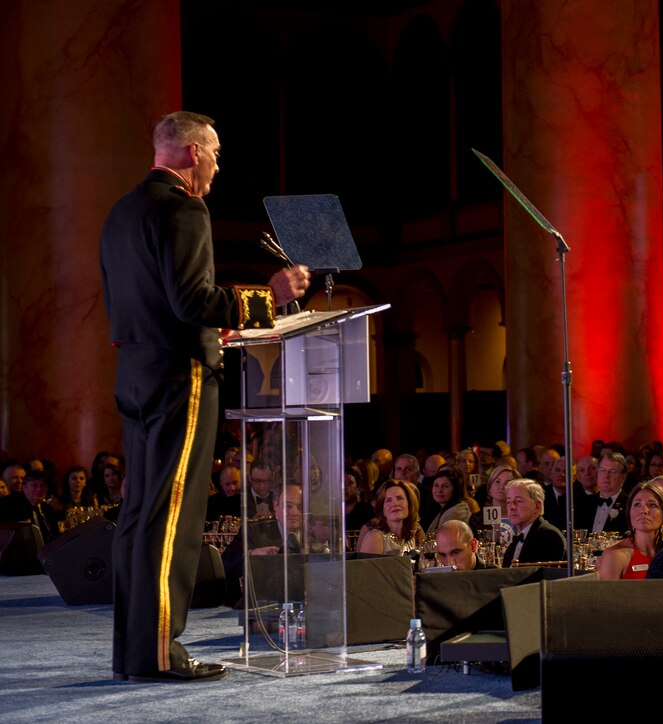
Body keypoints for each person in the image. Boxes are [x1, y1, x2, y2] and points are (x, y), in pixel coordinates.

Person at [101, 113, 309, 685]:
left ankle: (135, 651)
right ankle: (162, 653)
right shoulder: (185, 208)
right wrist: (265, 299)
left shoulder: (120, 213)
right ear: (192, 153)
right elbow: (193, 300)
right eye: (215, 152)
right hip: (179, 380)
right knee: (173, 516)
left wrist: (219, 328)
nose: (218, 163)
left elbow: (147, 303)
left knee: (140, 514)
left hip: (135, 372)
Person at [597, 483, 663, 580]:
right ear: (629, 512)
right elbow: (606, 594)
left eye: (652, 505)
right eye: (637, 504)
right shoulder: (615, 555)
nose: (644, 511)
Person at [501, 478, 566, 567]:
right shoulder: (516, 541)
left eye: (519, 501)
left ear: (537, 505)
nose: (511, 507)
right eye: (508, 502)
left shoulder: (549, 536)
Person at [356, 479, 426, 556]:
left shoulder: (412, 534)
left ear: (409, 504)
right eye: (388, 500)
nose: (395, 503)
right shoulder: (375, 538)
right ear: (382, 509)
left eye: (399, 498)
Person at [425, 467, 473, 536]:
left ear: (455, 489)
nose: (439, 490)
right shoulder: (444, 509)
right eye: (436, 485)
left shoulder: (457, 513)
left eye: (445, 486)